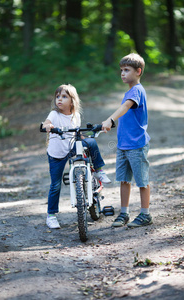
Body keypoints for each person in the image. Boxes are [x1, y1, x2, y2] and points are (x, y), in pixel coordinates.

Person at [42, 84, 111, 229]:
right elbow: (47, 123)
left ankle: (98, 171)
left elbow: (77, 135)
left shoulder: (76, 116)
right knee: (55, 185)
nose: (59, 99)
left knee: (91, 142)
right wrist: (47, 126)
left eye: (64, 97)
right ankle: (51, 215)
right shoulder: (54, 115)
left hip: (71, 147)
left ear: (72, 101)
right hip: (57, 153)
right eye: (57, 96)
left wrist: (92, 133)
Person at [102, 53, 152, 228]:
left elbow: (125, 107)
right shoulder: (129, 91)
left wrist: (110, 119)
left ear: (138, 71)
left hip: (137, 145)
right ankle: (124, 213)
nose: (122, 73)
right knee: (124, 180)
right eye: (121, 70)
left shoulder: (137, 91)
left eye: (126, 70)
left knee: (142, 181)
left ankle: (145, 214)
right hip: (124, 145)